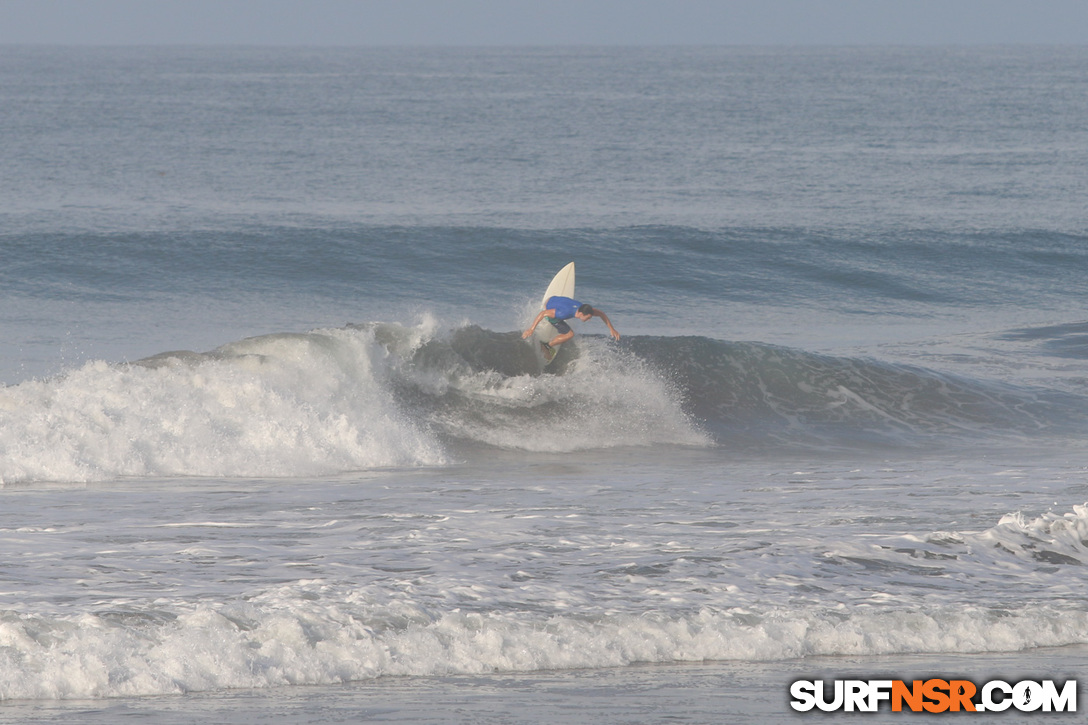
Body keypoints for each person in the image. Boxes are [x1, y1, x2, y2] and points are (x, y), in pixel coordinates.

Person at [522, 296, 620, 349]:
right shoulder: (563, 313)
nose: (589, 319)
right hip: (548, 306)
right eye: (588, 317)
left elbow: (601, 314)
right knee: (570, 334)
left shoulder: (584, 308)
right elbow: (543, 313)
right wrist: (531, 329)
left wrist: (612, 329)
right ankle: (547, 346)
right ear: (581, 314)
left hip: (553, 298)